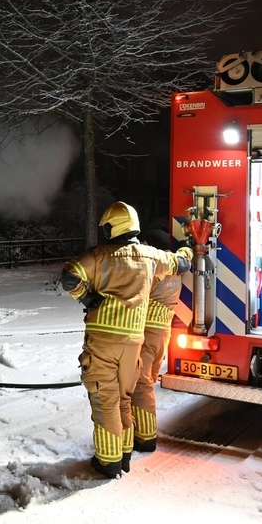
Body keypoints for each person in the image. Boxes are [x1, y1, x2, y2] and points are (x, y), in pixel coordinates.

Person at [61, 202, 192, 479]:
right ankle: (124, 455)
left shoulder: (98, 256)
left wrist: (86, 297)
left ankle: (108, 462)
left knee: (104, 398)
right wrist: (190, 247)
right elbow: (181, 263)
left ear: (113, 227)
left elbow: (69, 276)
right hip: (133, 341)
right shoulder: (151, 256)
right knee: (124, 397)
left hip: (103, 341)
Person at [131, 230, 187, 453]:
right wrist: (186, 245)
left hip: (147, 332)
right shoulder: (175, 265)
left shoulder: (155, 269)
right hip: (163, 332)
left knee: (140, 383)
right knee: (148, 380)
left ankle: (145, 438)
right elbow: (186, 254)